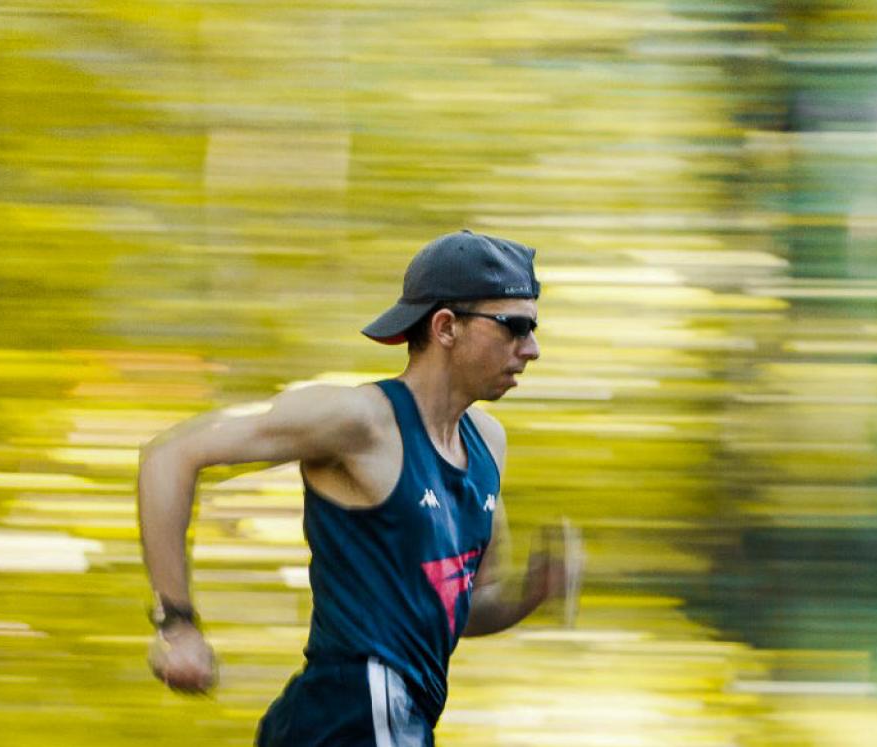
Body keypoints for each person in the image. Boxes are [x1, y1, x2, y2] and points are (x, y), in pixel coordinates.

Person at [137, 230, 572, 746]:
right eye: (515, 327)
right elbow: (170, 457)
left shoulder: (487, 445)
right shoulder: (359, 420)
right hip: (354, 712)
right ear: (446, 327)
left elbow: (464, 607)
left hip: (386, 719)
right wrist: (178, 624)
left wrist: (532, 595)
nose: (533, 348)